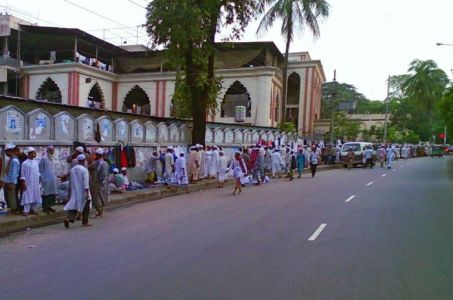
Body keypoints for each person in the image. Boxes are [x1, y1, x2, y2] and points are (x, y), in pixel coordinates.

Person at [64, 154, 91, 228]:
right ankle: (85, 222)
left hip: (74, 190)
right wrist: (87, 192)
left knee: (74, 205)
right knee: (86, 205)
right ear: (84, 160)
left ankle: (68, 218)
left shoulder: (73, 169)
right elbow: (86, 182)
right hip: (83, 191)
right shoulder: (84, 170)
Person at [20, 147, 41, 216]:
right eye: (33, 153)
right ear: (29, 154)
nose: (35, 154)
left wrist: (39, 182)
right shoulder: (24, 163)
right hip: (28, 183)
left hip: (35, 183)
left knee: (35, 195)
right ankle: (26, 210)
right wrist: (23, 183)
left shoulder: (36, 162)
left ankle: (33, 209)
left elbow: (37, 173)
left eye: (35, 153)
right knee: (27, 195)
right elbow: (22, 175)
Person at [89, 148, 109, 217]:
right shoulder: (106, 163)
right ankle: (101, 211)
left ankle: (99, 211)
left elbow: (89, 168)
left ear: (98, 155)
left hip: (97, 183)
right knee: (103, 196)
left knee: (96, 197)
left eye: (96, 155)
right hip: (104, 183)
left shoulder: (96, 163)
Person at [39, 145, 58, 213]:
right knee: (46, 193)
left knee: (52, 192)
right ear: (47, 151)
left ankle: (49, 206)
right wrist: (41, 179)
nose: (52, 151)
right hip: (46, 179)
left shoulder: (52, 158)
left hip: (52, 178)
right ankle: (45, 207)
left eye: (53, 150)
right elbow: (40, 169)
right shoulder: (44, 158)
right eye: (50, 150)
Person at [3, 144, 20, 215]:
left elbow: (14, 173)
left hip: (11, 182)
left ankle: (13, 210)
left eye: (6, 152)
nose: (6, 153)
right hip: (7, 181)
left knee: (11, 197)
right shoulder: (11, 159)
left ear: (9, 151)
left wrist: (10, 183)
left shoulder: (14, 160)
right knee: (7, 196)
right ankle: (11, 209)